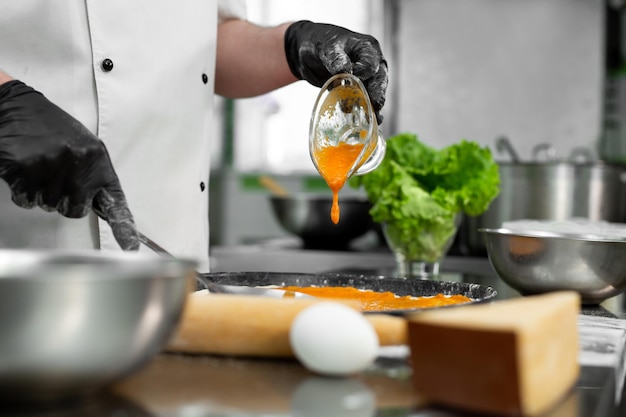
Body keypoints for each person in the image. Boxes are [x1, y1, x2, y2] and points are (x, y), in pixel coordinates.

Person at [0, 1, 387, 271]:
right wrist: (3, 102)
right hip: (25, 243)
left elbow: (209, 46)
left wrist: (294, 45)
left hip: (172, 251)